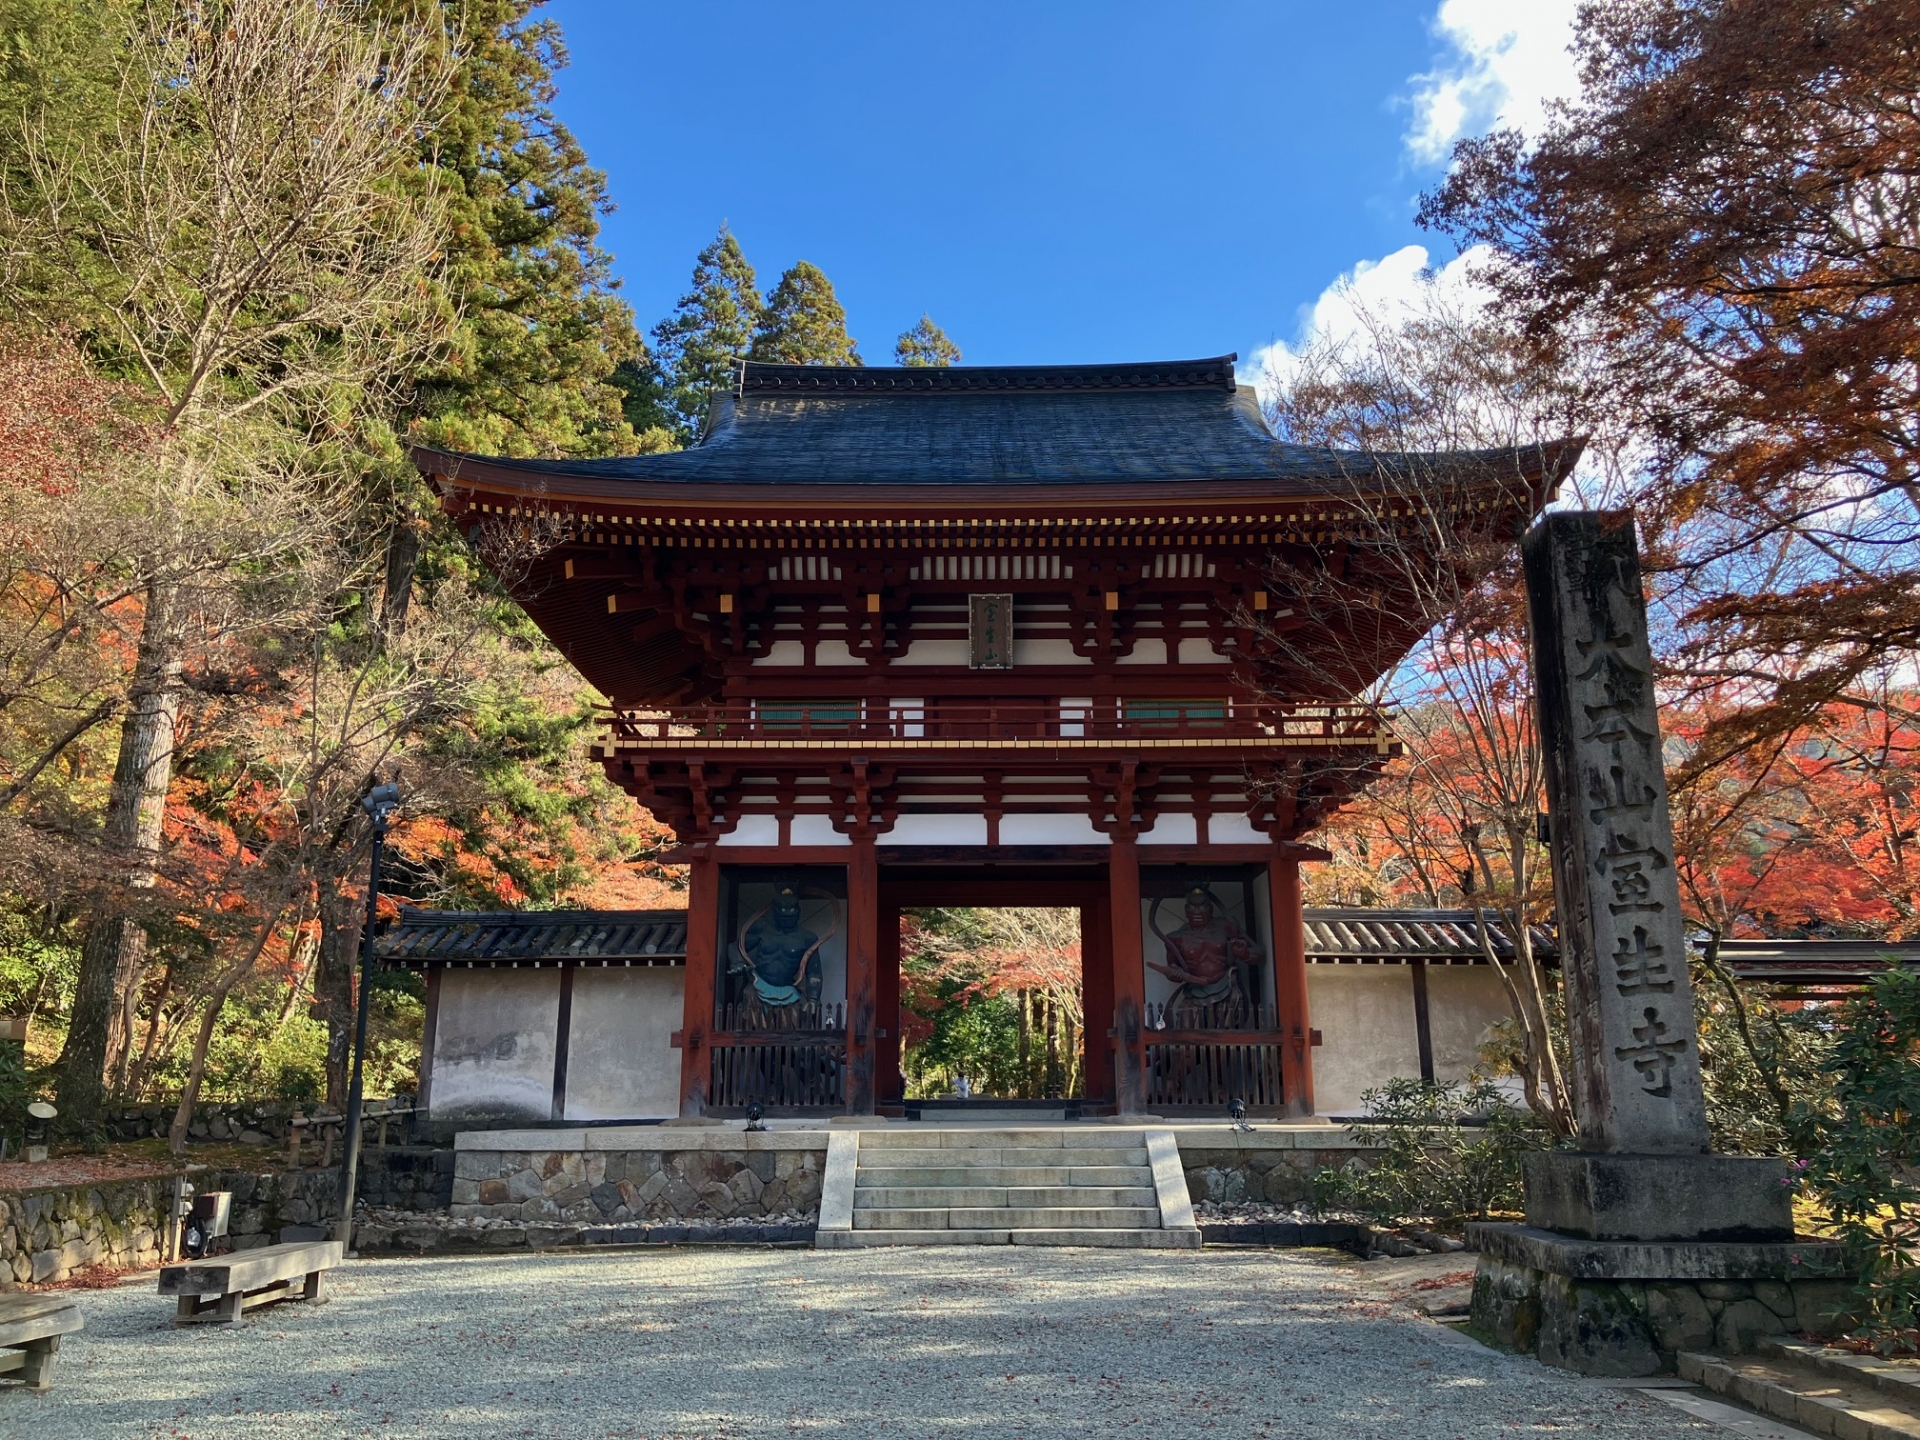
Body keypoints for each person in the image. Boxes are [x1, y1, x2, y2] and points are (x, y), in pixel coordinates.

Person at [1147, 885, 1262, 1022]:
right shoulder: (1175, 938)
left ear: (1211, 908)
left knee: (1231, 1026)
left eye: (1202, 906)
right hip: (1195, 992)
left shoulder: (1227, 926)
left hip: (1226, 988)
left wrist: (1245, 954)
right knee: (1189, 1025)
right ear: (1186, 909)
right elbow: (1173, 968)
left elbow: (1260, 953)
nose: (1197, 911)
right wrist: (1175, 972)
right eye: (1192, 906)